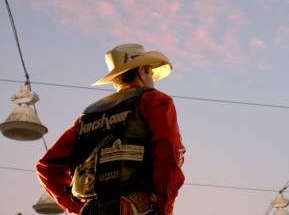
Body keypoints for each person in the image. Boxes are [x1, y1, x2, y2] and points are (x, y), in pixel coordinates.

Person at [36, 44, 185, 215]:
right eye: (150, 73)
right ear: (141, 71)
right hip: (137, 208)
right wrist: (164, 207)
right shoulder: (155, 100)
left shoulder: (87, 116)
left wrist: (77, 207)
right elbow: (167, 154)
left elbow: (46, 167)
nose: (152, 79)